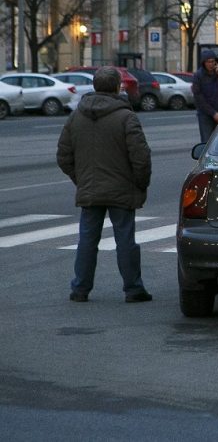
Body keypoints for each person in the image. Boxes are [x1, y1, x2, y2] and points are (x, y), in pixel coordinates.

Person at [56, 66, 153, 303]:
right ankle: (133, 289)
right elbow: (140, 157)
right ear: (117, 86)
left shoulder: (76, 116)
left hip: (90, 188)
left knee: (87, 241)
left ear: (95, 86)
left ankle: (80, 289)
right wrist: (140, 184)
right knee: (125, 241)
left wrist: (81, 179)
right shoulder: (126, 116)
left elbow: (63, 156)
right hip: (121, 189)